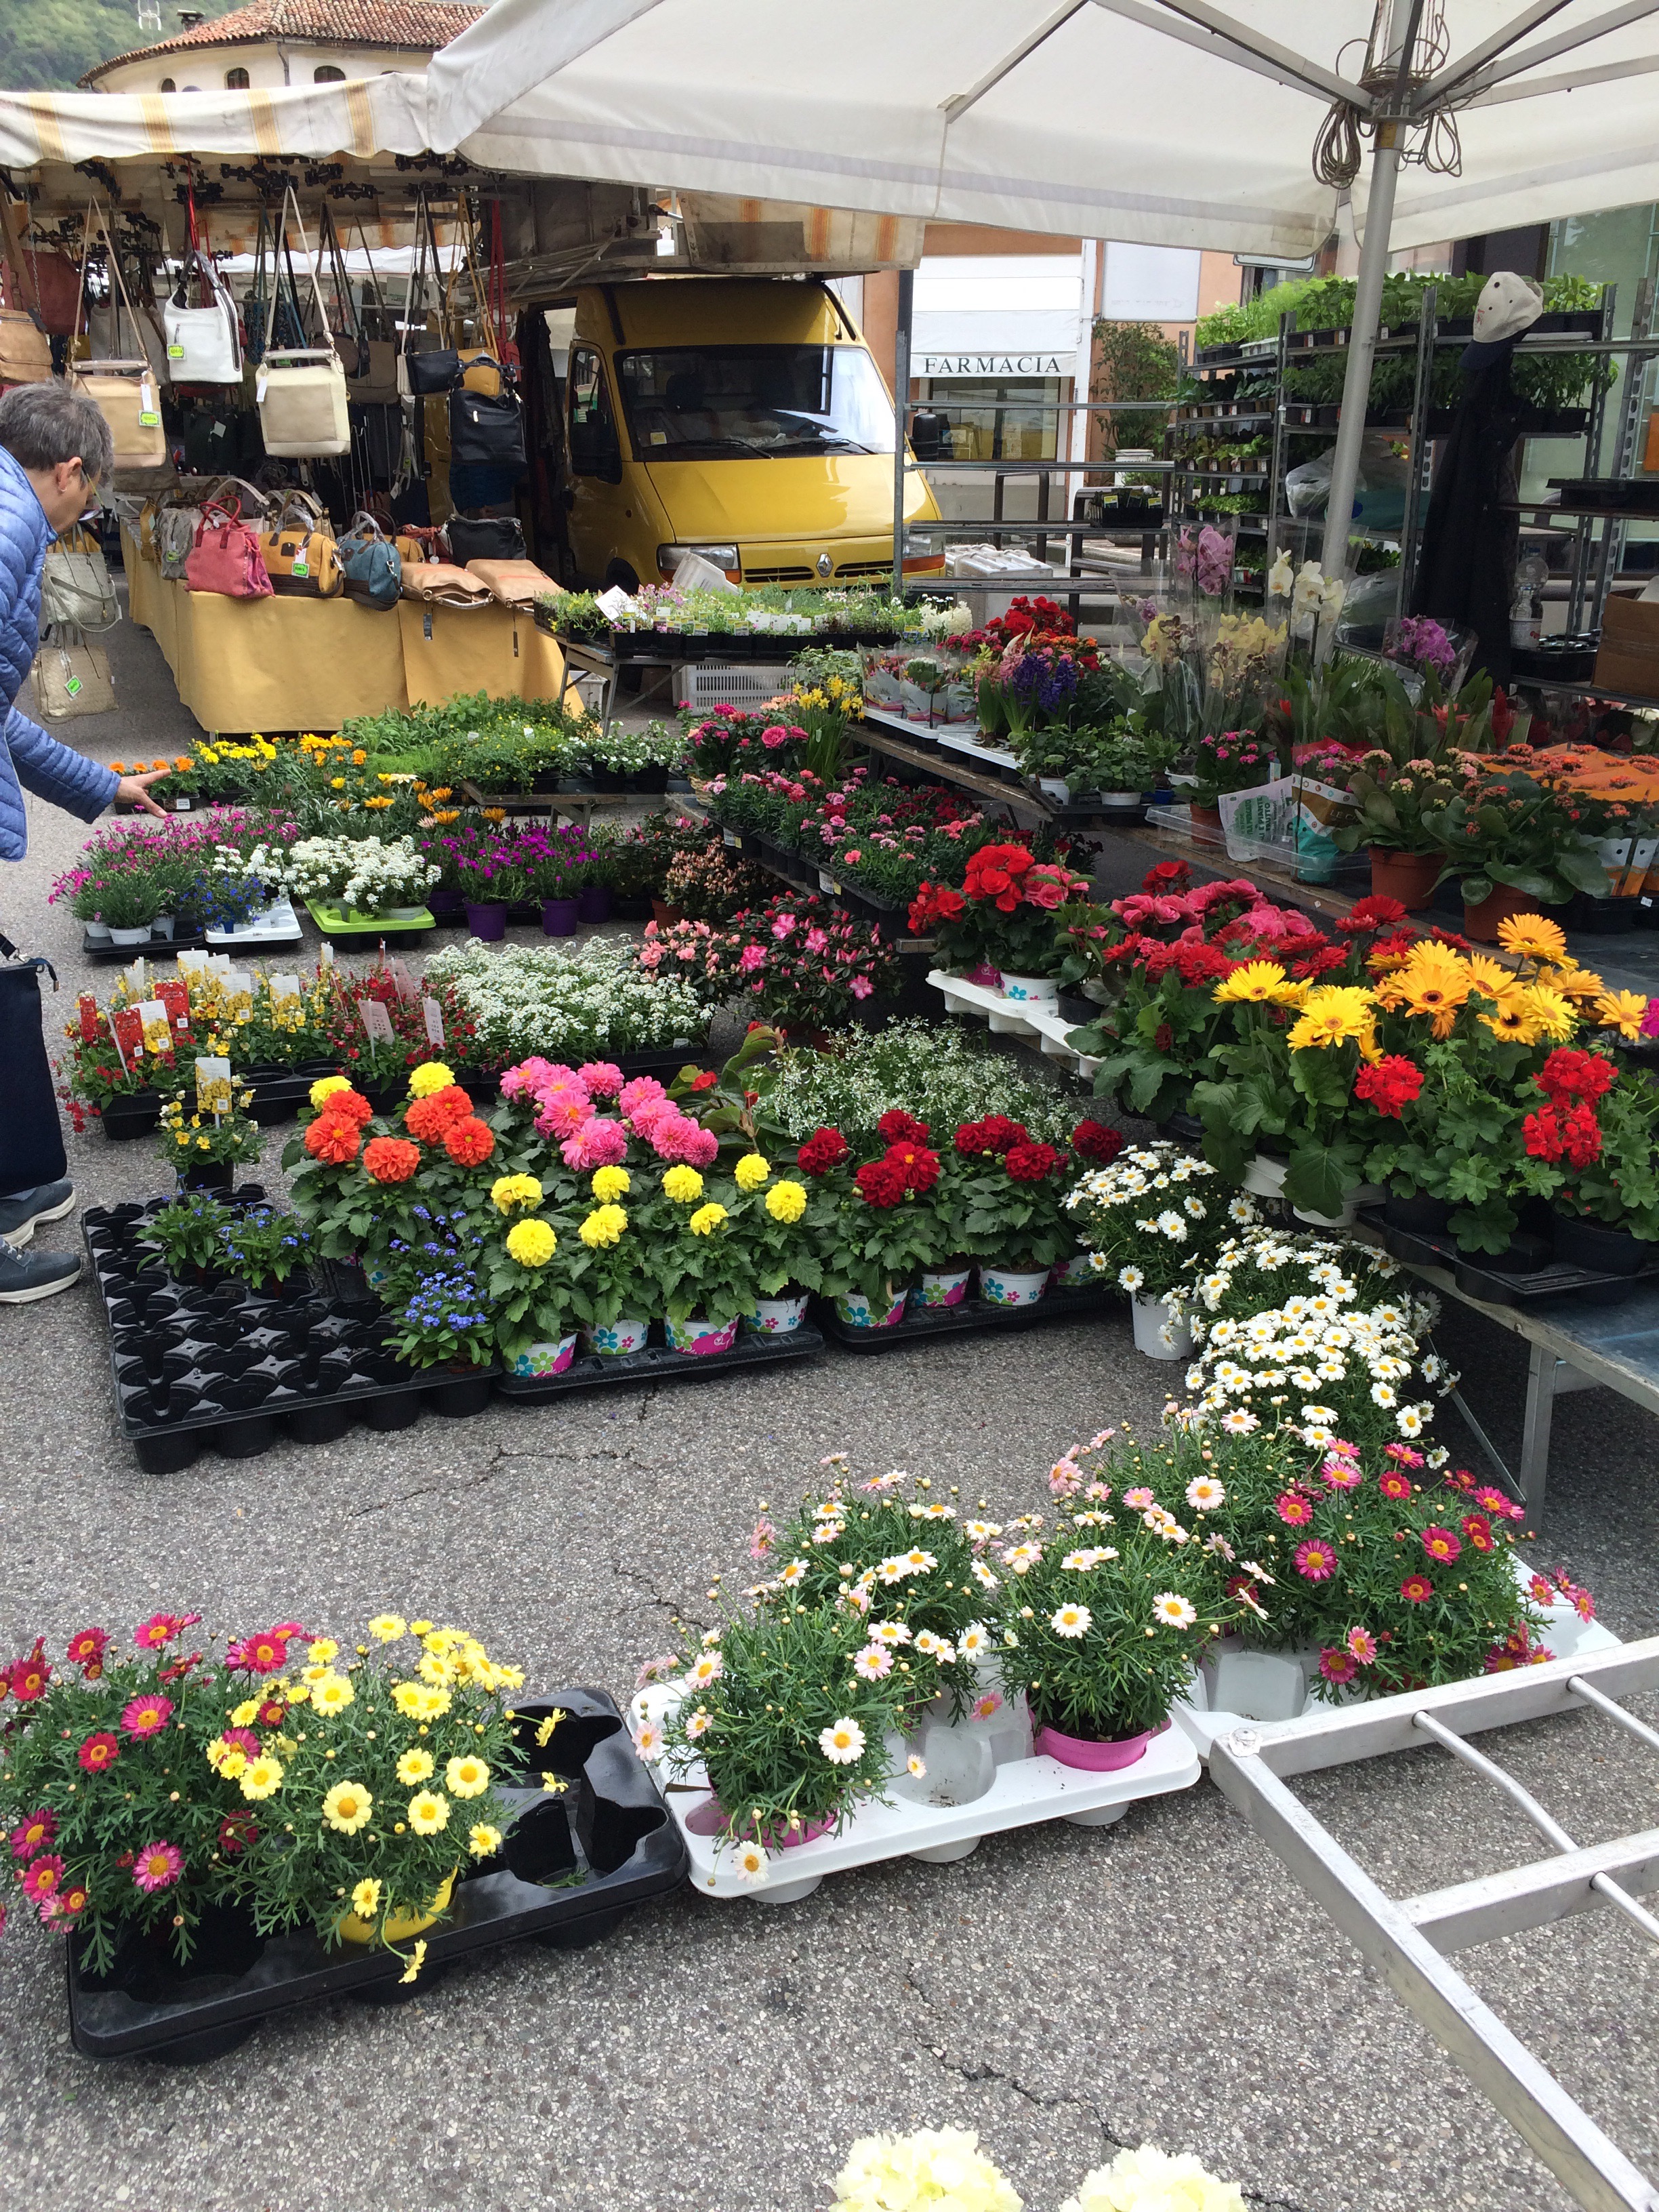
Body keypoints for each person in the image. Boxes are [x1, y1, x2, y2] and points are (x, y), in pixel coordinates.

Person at [0, 380, 168, 1301]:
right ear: (69, 470)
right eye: (90, 496)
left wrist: (102, 786)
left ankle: (9, 1192)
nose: (82, 516)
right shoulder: (10, 526)